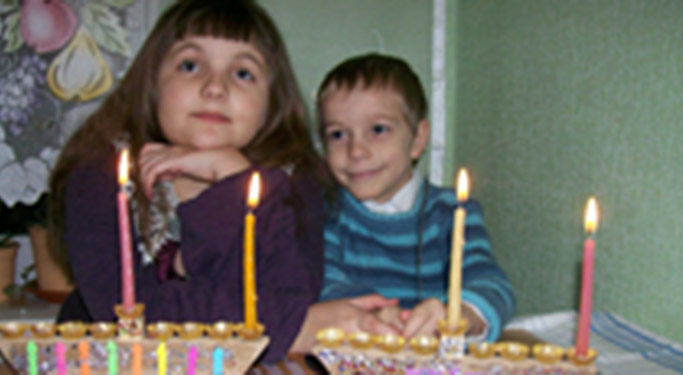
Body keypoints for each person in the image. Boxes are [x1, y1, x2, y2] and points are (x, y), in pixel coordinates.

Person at [48, 0, 331, 363]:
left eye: (243, 73)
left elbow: (290, 296)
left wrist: (234, 177)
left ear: (271, 105)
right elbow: (136, 323)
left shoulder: (295, 184)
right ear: (151, 85)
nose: (215, 87)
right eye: (190, 65)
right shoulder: (102, 177)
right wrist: (286, 326)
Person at [315, 53, 516, 342]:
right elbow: (325, 285)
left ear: (418, 139)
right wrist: (369, 316)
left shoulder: (453, 212)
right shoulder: (326, 213)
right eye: (337, 135)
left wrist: (457, 316)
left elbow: (492, 285)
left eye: (378, 130)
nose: (356, 151)